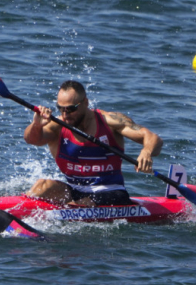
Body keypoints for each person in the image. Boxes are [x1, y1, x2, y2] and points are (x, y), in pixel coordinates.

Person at [24, 80, 163, 207]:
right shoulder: (57, 125)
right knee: (41, 186)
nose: (65, 115)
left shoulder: (110, 122)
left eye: (71, 109)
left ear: (85, 103)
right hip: (75, 190)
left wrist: (146, 152)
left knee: (83, 203)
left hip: (111, 192)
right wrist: (36, 124)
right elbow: (32, 140)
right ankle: (16, 213)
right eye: (61, 108)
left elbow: (152, 137)